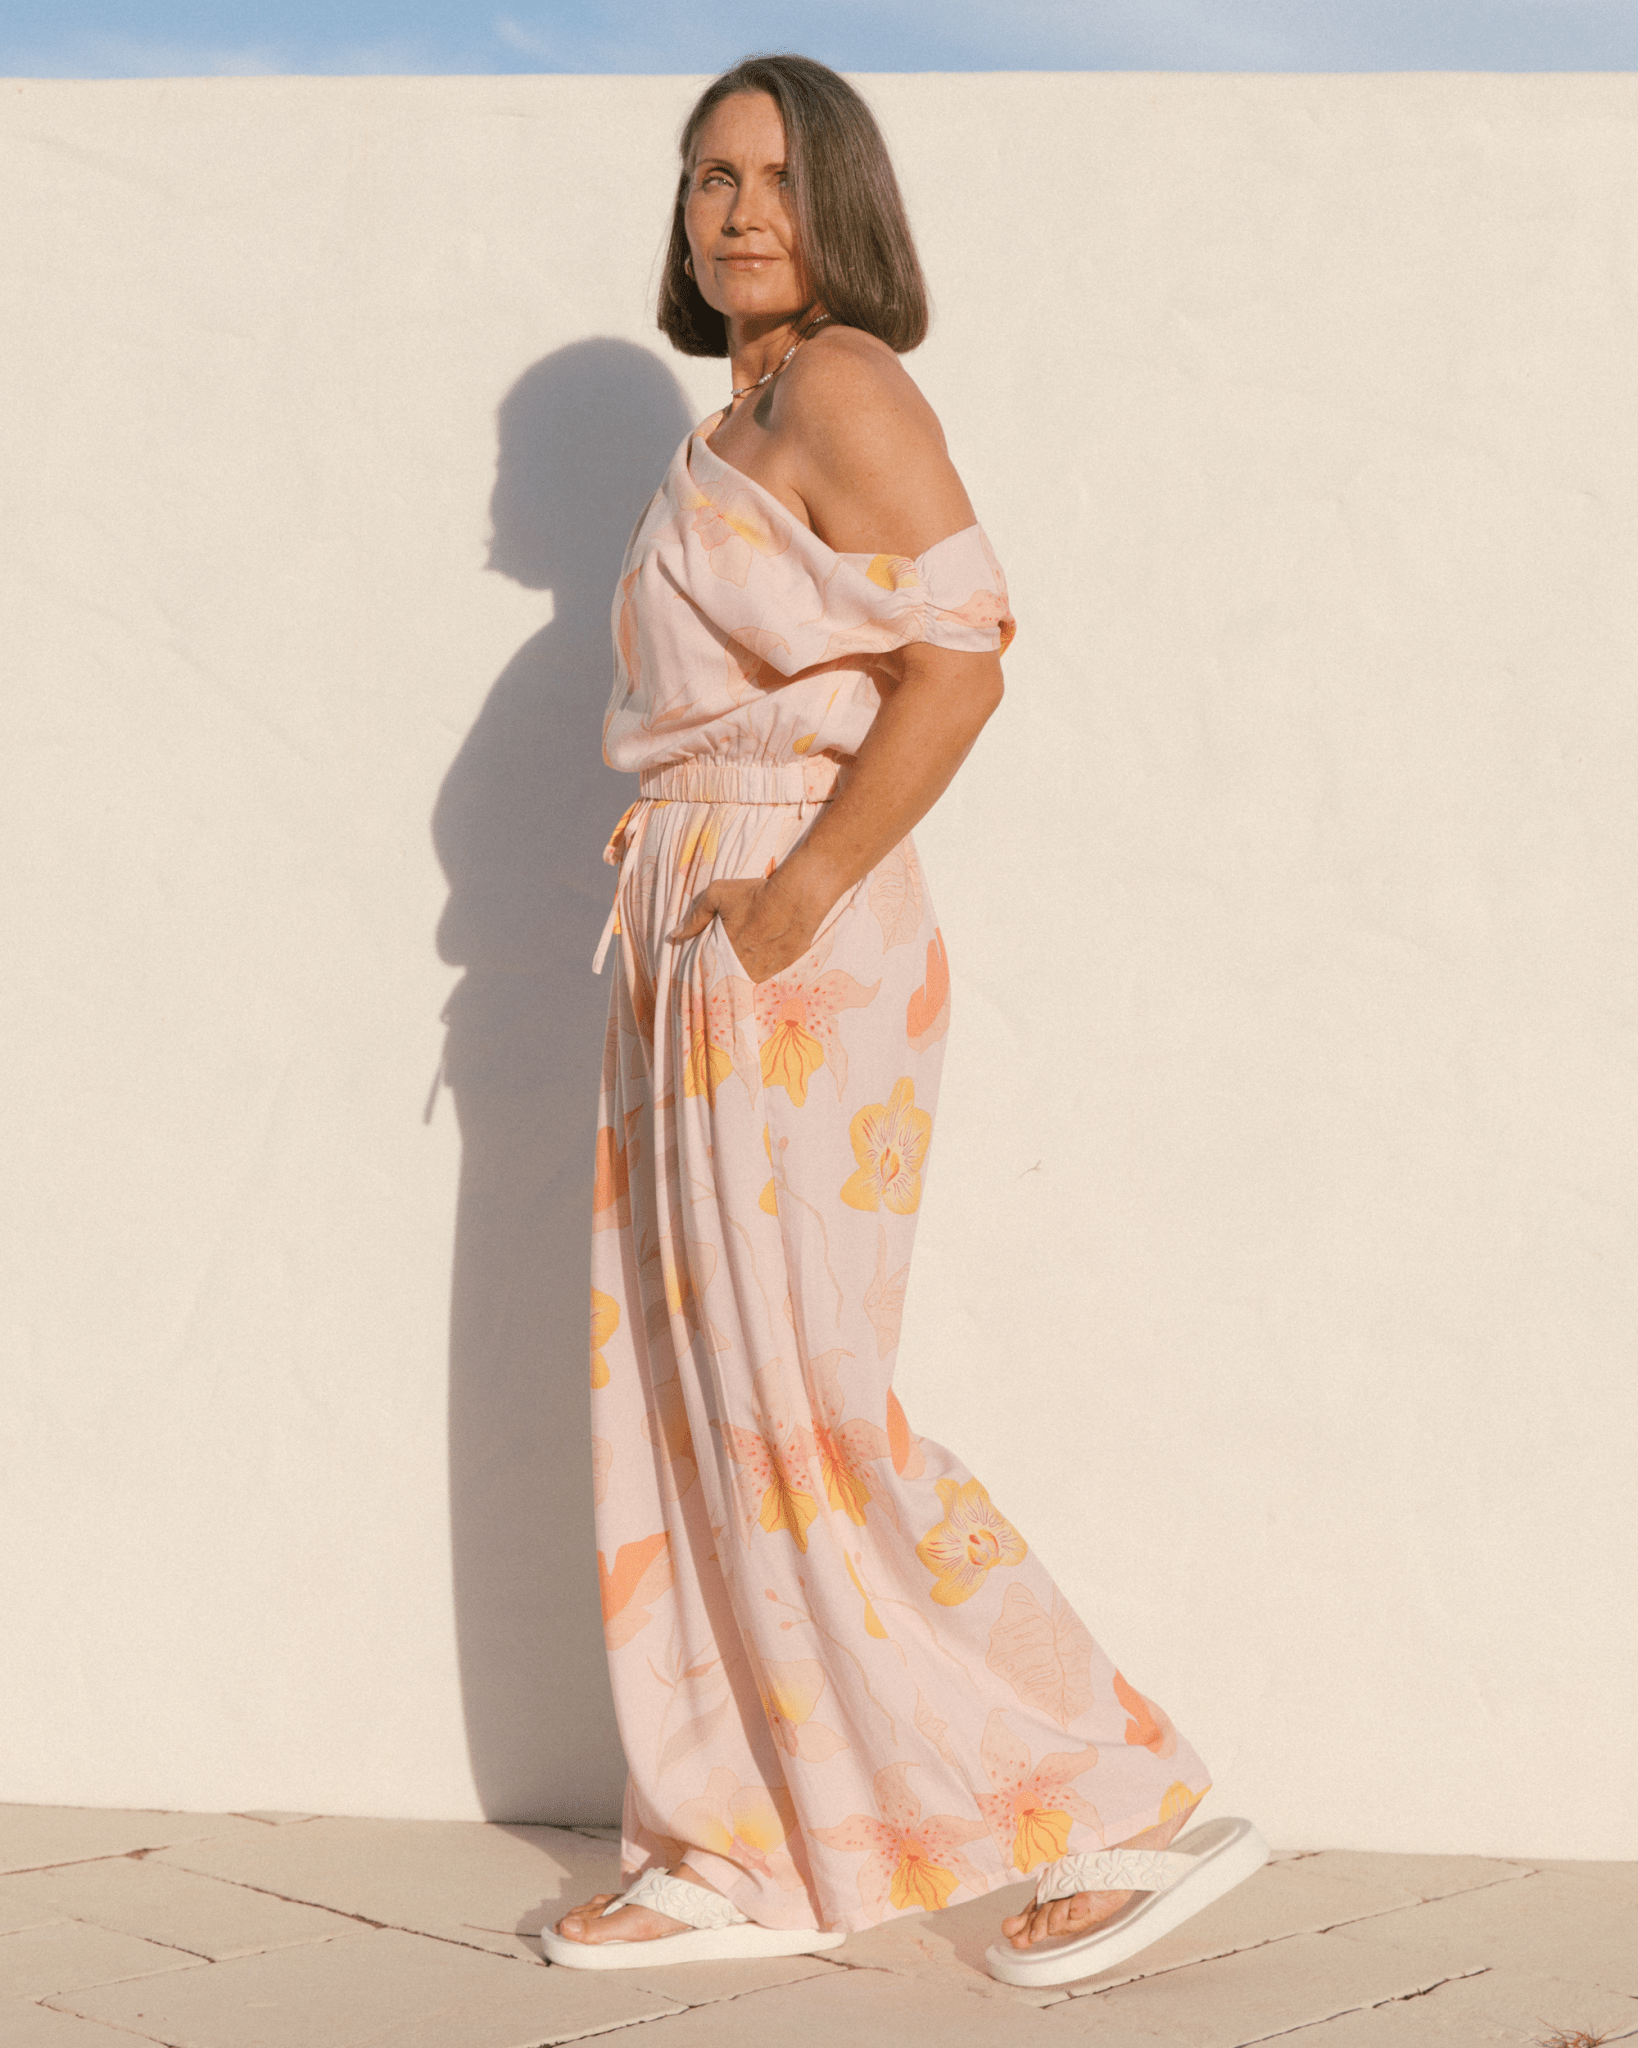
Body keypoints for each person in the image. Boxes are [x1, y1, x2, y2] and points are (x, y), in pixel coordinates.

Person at [542, 53, 1266, 1989]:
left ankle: (1116, 1801)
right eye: (707, 178)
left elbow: (963, 655)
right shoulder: (744, 408)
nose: (736, 209)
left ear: (839, 196)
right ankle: (736, 1831)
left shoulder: (849, 385)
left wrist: (785, 896)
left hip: (798, 931)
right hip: (693, 932)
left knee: (806, 1410)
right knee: (688, 1408)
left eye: (773, 174)